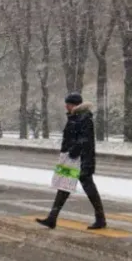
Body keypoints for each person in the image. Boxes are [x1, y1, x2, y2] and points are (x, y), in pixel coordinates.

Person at [37, 93, 106, 230]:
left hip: (81, 160)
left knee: (89, 189)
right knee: (64, 187)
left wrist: (74, 150)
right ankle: (52, 218)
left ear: (74, 104)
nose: (65, 106)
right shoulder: (75, 117)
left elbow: (85, 140)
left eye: (68, 103)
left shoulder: (84, 118)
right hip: (72, 159)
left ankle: (100, 219)